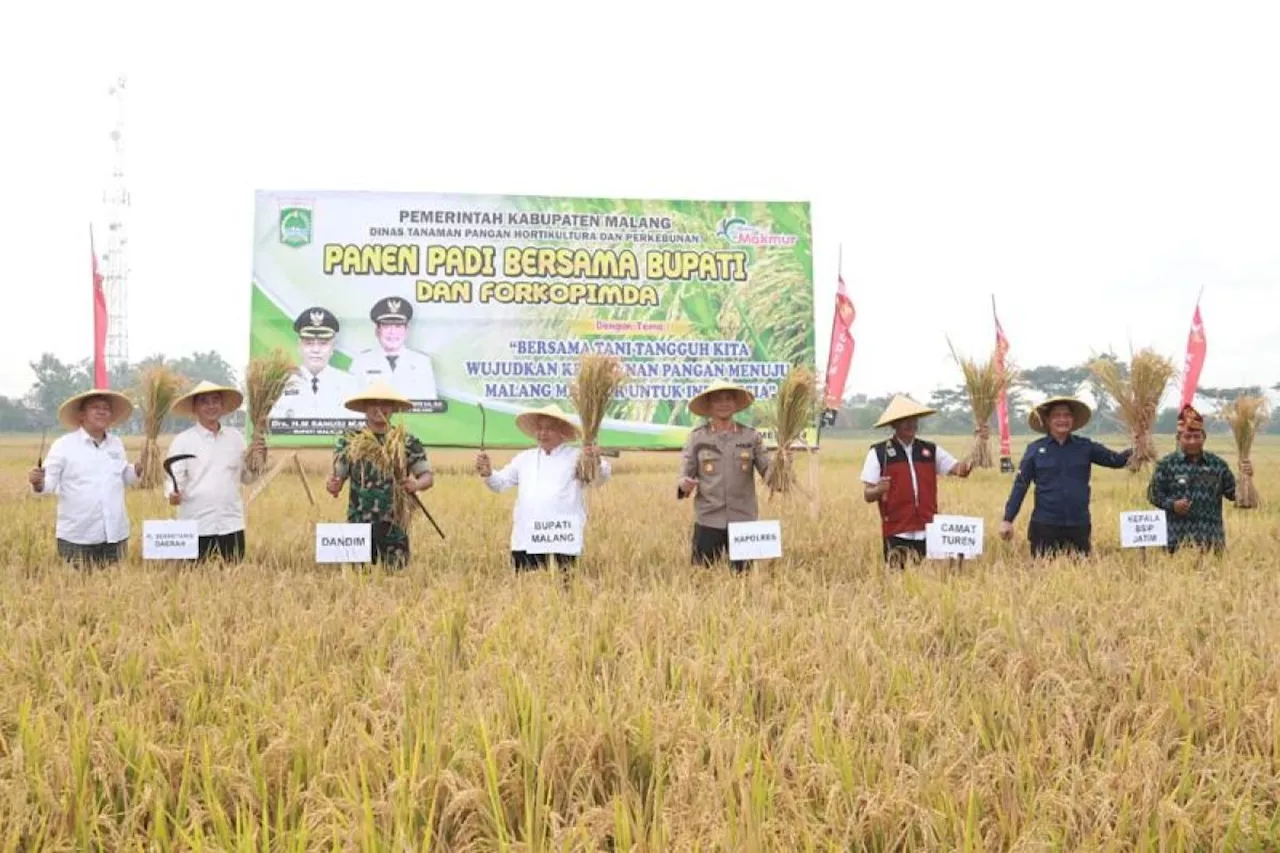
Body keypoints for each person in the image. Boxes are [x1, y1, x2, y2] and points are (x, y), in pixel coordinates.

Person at [475, 403, 609, 574]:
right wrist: (487, 473)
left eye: (549, 429)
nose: (542, 433)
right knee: (527, 594)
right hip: (527, 538)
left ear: (561, 431)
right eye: (539, 428)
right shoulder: (524, 459)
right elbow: (500, 483)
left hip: (563, 539)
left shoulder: (577, 457)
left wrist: (595, 459)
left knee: (565, 591)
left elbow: (600, 478)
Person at [1000, 396, 1132, 557]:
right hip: (1045, 524)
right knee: (1042, 576)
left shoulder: (1085, 447)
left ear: (1073, 420)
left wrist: (1139, 449)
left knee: (1080, 575)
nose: (1062, 419)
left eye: (1067, 415)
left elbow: (1116, 460)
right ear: (1048, 421)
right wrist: (1008, 519)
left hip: (1078, 524)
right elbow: (1020, 485)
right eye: (1057, 416)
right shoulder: (1035, 450)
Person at [27, 389, 144, 567]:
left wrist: (136, 470)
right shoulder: (64, 445)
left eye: (106, 408)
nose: (102, 411)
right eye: (95, 407)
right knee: (76, 591)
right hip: (78, 536)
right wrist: (38, 482)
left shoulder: (116, 444)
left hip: (115, 535)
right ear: (81, 415)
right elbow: (49, 483)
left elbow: (122, 478)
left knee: (115, 590)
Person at [325, 381, 434, 569]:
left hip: (394, 526)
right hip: (358, 524)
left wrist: (416, 485)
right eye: (373, 403)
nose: (379, 409)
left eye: (385, 403)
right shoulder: (350, 440)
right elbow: (337, 478)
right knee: (357, 581)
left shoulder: (406, 441)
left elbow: (427, 477)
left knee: (396, 582)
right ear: (365, 408)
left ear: (392, 408)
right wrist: (333, 485)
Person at [860, 395, 973, 569]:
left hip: (928, 530)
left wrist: (979, 445)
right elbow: (868, 495)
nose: (911, 424)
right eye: (905, 420)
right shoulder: (879, 453)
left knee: (930, 585)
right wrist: (879, 489)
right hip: (897, 530)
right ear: (894, 424)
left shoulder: (930, 450)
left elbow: (962, 470)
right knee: (897, 585)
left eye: (914, 419)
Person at [164, 380, 267, 562]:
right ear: (195, 407)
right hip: (196, 524)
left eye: (215, 400)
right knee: (195, 581)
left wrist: (259, 459)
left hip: (230, 523)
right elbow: (173, 479)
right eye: (204, 401)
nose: (211, 406)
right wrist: (172, 494)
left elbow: (247, 478)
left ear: (222, 405)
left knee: (233, 580)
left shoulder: (236, 438)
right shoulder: (183, 441)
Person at [676, 381, 772, 574]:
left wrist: (783, 467)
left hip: (744, 523)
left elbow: (770, 476)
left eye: (728, 398)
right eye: (718, 399)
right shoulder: (697, 438)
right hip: (708, 522)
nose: (724, 403)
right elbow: (684, 478)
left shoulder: (751, 438)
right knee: (702, 581)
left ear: (736, 404)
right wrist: (684, 486)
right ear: (709, 405)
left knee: (744, 581)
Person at [1147, 404, 1252, 554]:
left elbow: (1234, 495)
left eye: (1197, 436)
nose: (1192, 441)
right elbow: (1153, 495)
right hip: (1175, 543)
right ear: (1178, 438)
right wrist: (1173, 505)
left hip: (1212, 542)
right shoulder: (1166, 464)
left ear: (1204, 438)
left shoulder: (1217, 465)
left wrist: (1246, 479)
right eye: (1187, 437)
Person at [270, 307, 360, 421]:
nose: (316, 349)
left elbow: (358, 428)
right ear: (299, 346)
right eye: (309, 343)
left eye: (323, 343)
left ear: (333, 348)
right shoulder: (280, 383)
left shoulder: (349, 384)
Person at [350, 296, 438, 401]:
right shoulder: (361, 361)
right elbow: (351, 403)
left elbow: (430, 406)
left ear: (406, 331)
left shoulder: (422, 362)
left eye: (398, 326)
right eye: (386, 326)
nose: (392, 332)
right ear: (377, 331)